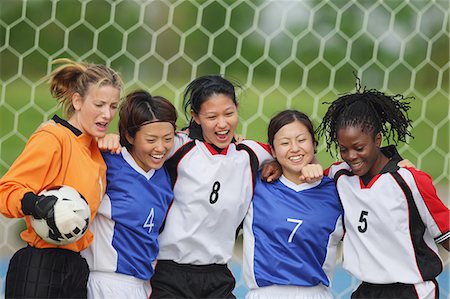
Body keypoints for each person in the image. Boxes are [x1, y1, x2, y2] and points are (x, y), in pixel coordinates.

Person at [0, 58, 122, 298]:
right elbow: (6, 191)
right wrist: (35, 204)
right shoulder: (53, 137)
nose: (107, 114)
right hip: (40, 265)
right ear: (77, 101)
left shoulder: (97, 151)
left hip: (76, 267)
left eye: (113, 106)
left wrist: (113, 142)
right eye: (99, 104)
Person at [316, 83, 450, 299]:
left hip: (412, 291)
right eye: (344, 149)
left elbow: (446, 234)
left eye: (359, 148)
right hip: (366, 291)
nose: (351, 156)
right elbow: (301, 181)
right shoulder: (338, 176)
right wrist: (275, 165)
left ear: (377, 139)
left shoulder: (410, 180)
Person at [150, 75, 275, 299]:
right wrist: (110, 140)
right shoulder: (177, 147)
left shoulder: (250, 154)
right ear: (195, 116)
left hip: (218, 276)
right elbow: (139, 145)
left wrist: (282, 164)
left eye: (229, 113)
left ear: (237, 108)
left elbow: (293, 155)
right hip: (170, 273)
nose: (222, 124)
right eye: (211, 116)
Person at [81, 90, 177, 299]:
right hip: (104, 282)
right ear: (129, 136)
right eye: (151, 140)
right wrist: (96, 141)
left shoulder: (165, 173)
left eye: (168, 139)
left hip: (142, 285)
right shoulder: (108, 162)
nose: (160, 148)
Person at [242, 110, 343, 299]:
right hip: (265, 294)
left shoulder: (337, 190)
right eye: (285, 143)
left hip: (315, 294)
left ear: (314, 144)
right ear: (272, 150)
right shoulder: (254, 183)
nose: (294, 148)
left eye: (301, 140)